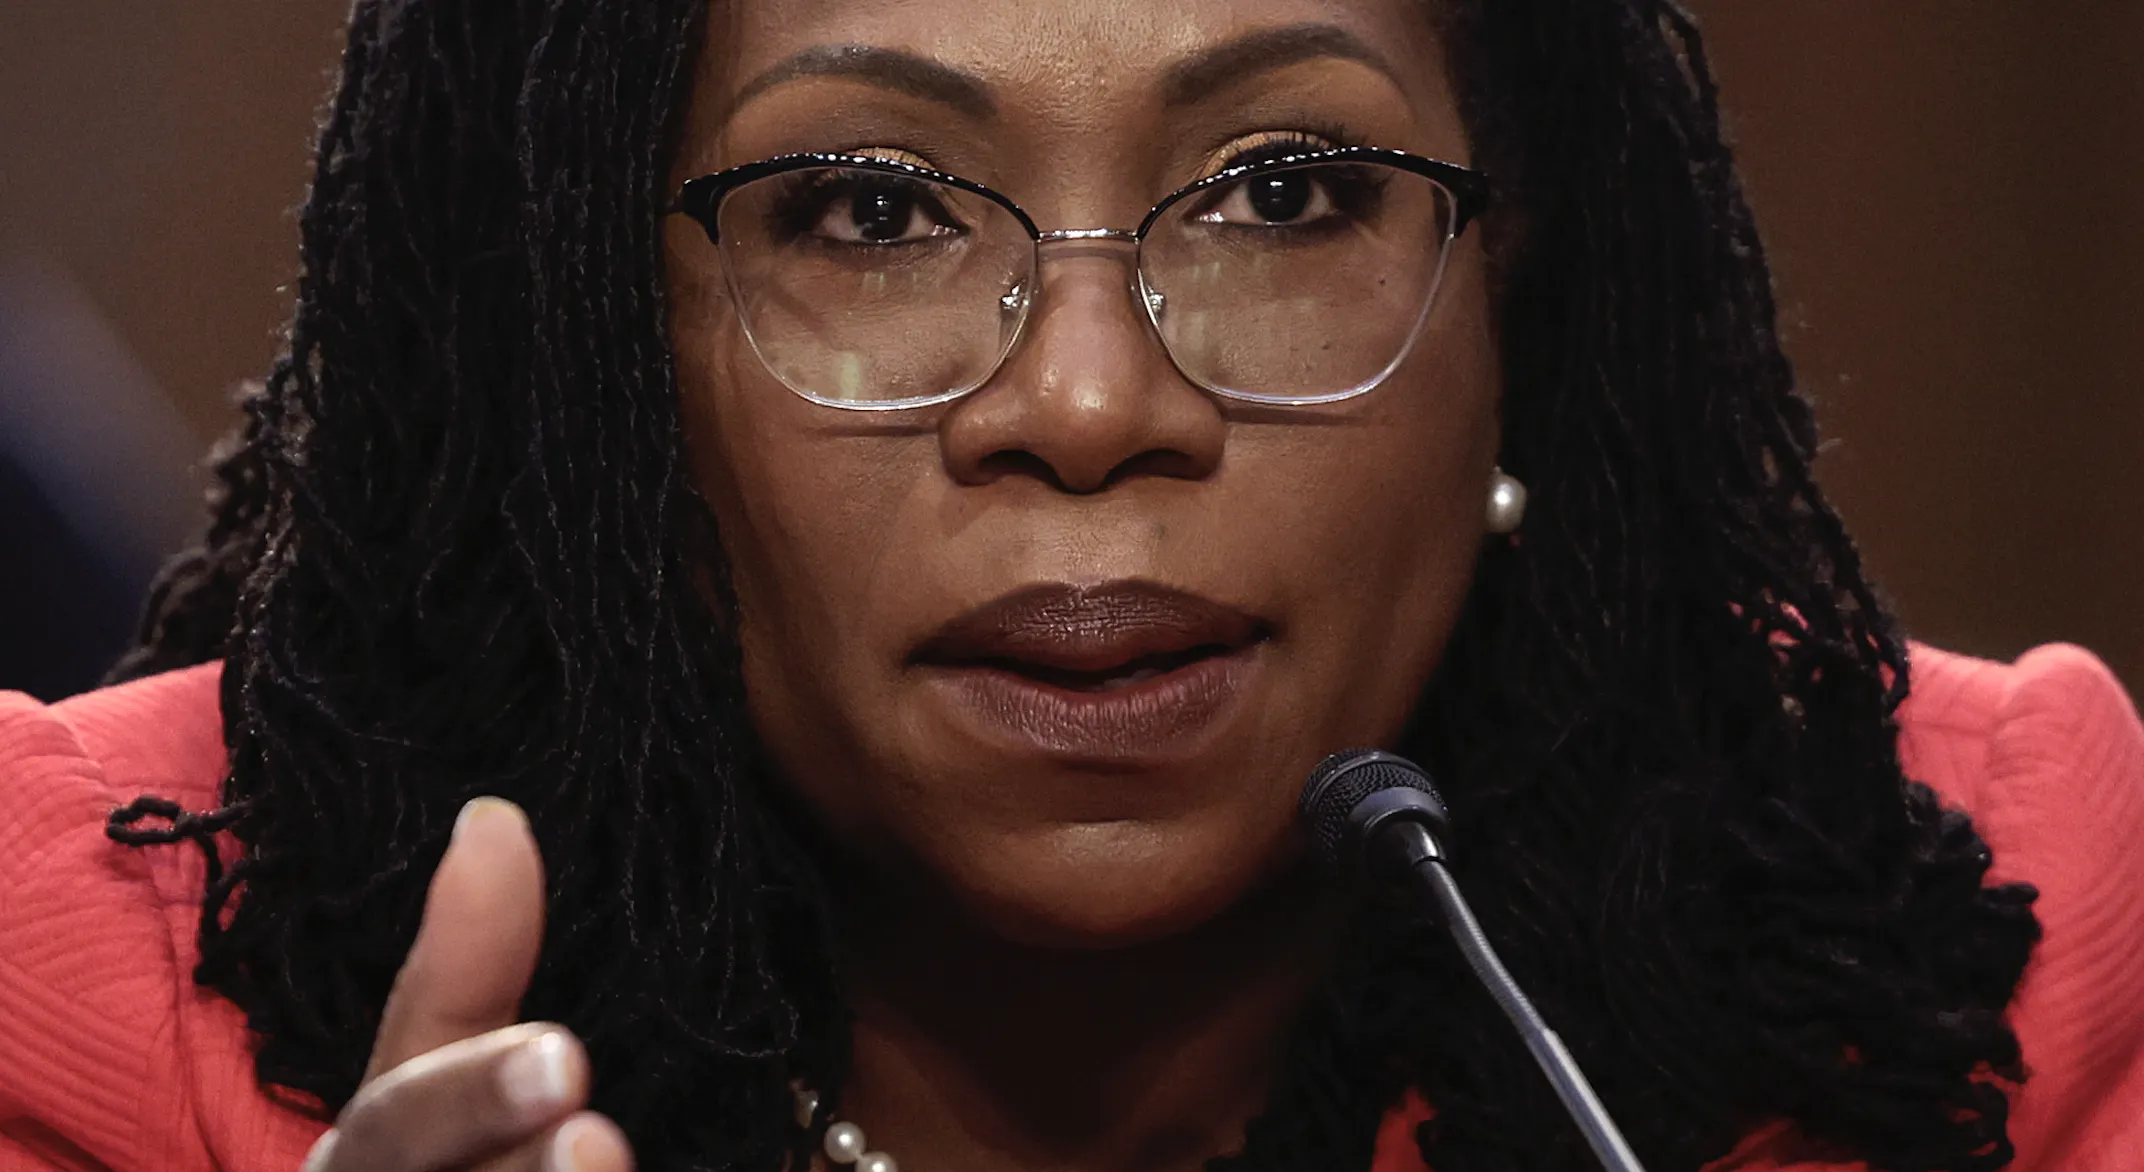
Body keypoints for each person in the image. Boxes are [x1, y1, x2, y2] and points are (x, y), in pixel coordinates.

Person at [2, 0, 2140, 1169]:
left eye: (1285, 191)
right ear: (591, 352)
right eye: (866, 211)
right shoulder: (89, 1002)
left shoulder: (1970, 960)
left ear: (1527, 307)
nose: (1091, 404)